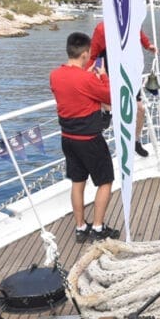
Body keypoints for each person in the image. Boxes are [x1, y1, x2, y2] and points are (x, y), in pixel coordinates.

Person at [49, 32, 120, 242]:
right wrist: (103, 75)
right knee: (105, 181)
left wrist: (87, 76)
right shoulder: (87, 78)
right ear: (85, 54)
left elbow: (74, 89)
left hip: (68, 138)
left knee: (77, 182)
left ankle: (80, 228)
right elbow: (111, 96)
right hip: (89, 140)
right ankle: (98, 228)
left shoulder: (55, 75)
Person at [89, 20, 157, 158]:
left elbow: (139, 33)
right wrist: (85, 74)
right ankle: (106, 113)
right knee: (110, 107)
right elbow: (94, 55)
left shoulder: (131, 22)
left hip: (129, 71)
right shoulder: (101, 29)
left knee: (140, 109)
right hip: (109, 70)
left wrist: (147, 45)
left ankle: (136, 141)